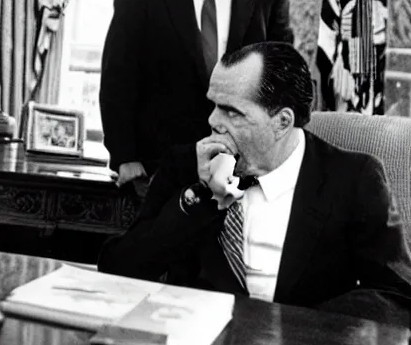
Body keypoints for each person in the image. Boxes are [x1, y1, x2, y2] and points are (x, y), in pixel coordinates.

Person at [98, 42, 411, 325]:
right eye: (214, 104)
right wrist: (199, 195)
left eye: (232, 111)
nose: (213, 121)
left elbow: (396, 296)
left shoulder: (353, 178)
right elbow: (119, 269)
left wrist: (296, 329)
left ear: (282, 122)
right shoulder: (186, 165)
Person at [100, 0, 294, 188]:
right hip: (156, 172)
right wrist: (124, 157)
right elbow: (117, 80)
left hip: (242, 174)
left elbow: (284, 89)